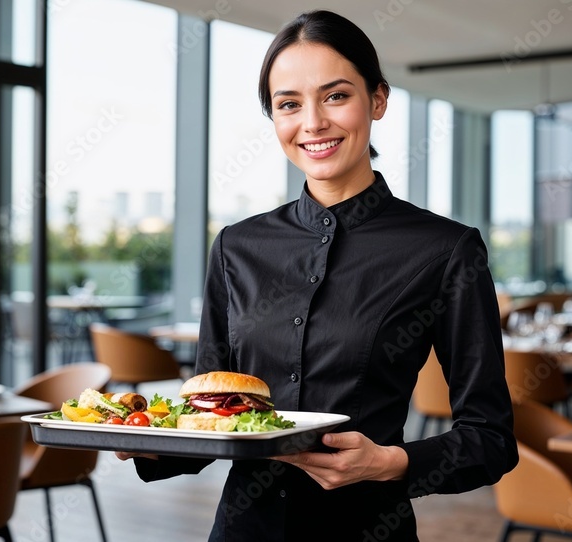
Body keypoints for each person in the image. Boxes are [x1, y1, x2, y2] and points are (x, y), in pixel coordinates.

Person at [120, 10, 517, 541]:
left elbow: (490, 439)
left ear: (377, 100)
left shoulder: (445, 250)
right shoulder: (237, 247)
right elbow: (208, 422)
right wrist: (150, 442)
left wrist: (388, 463)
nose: (312, 123)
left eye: (335, 96)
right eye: (288, 104)